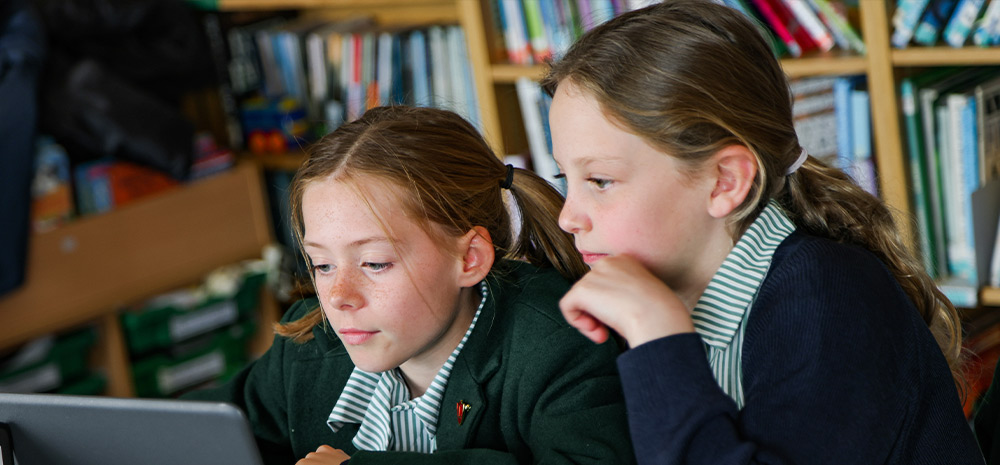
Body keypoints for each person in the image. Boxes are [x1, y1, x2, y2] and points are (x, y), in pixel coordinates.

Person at [540, 1, 984, 464]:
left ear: (725, 182)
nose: (568, 218)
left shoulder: (828, 296)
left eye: (600, 181)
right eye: (563, 180)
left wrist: (658, 339)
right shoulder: (647, 298)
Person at [183, 105, 634, 465]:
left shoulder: (557, 341)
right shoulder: (311, 341)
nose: (339, 297)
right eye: (322, 265)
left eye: (375, 263)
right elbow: (211, 431)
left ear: (469, 258)